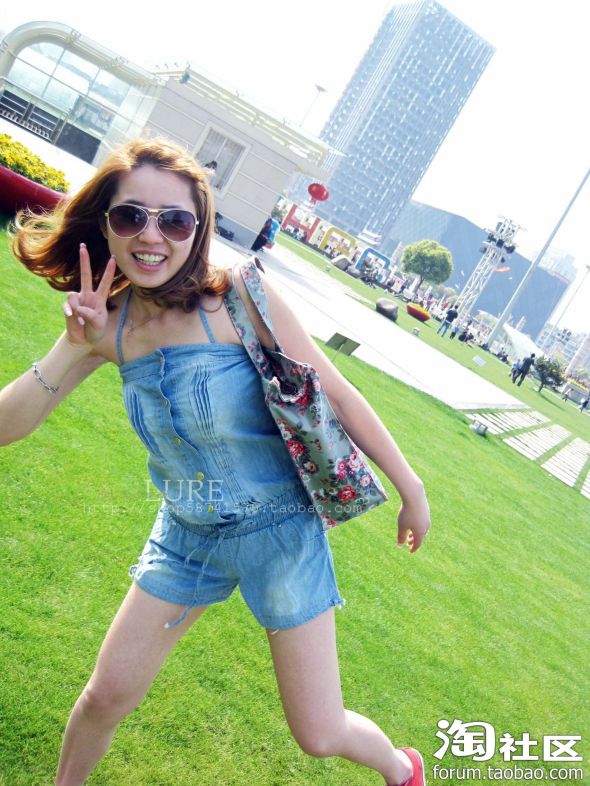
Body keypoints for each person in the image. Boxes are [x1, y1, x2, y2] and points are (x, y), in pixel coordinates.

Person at [1, 137, 431, 786]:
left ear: (198, 229)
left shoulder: (240, 298)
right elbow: (9, 426)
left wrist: (410, 487)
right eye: (131, 216)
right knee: (104, 696)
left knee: (319, 733)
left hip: (282, 536)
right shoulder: (107, 327)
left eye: (174, 221)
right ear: (106, 226)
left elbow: (336, 392)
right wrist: (71, 345)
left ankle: (401, 768)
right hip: (186, 538)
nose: (152, 237)